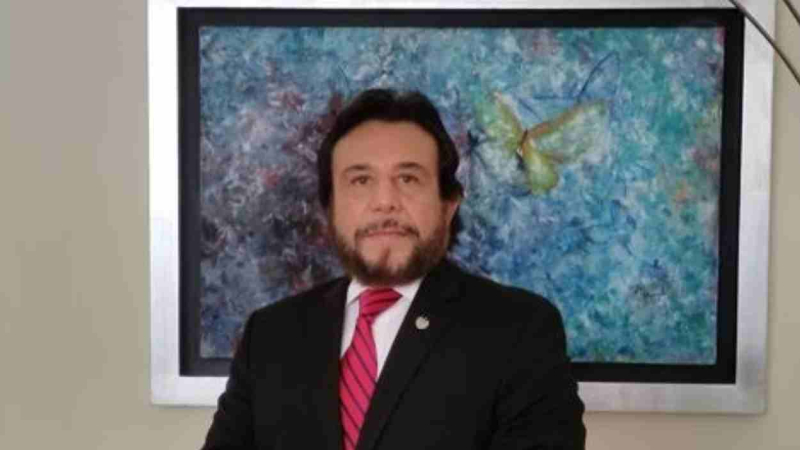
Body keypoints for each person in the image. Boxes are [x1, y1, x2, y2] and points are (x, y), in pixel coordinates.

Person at [201, 89, 586, 450]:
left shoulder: (520, 331)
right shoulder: (270, 336)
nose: (385, 201)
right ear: (330, 210)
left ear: (448, 206)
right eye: (360, 180)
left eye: (408, 178)